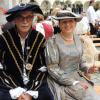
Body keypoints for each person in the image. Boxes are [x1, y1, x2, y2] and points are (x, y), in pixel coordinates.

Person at [0, 3, 54, 100]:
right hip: (10, 82)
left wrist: (30, 92)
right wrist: (17, 92)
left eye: (28, 17)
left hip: (35, 82)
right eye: (20, 17)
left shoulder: (39, 38)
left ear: (33, 18)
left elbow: (44, 66)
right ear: (15, 19)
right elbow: (0, 67)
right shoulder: (4, 38)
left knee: (47, 96)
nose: (25, 21)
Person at [45, 10, 100, 100]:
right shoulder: (52, 42)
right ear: (59, 24)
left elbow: (81, 61)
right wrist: (72, 82)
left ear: (75, 23)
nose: (67, 24)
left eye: (70, 21)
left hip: (77, 78)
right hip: (59, 80)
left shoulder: (78, 39)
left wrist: (88, 69)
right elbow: (52, 68)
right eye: (64, 22)